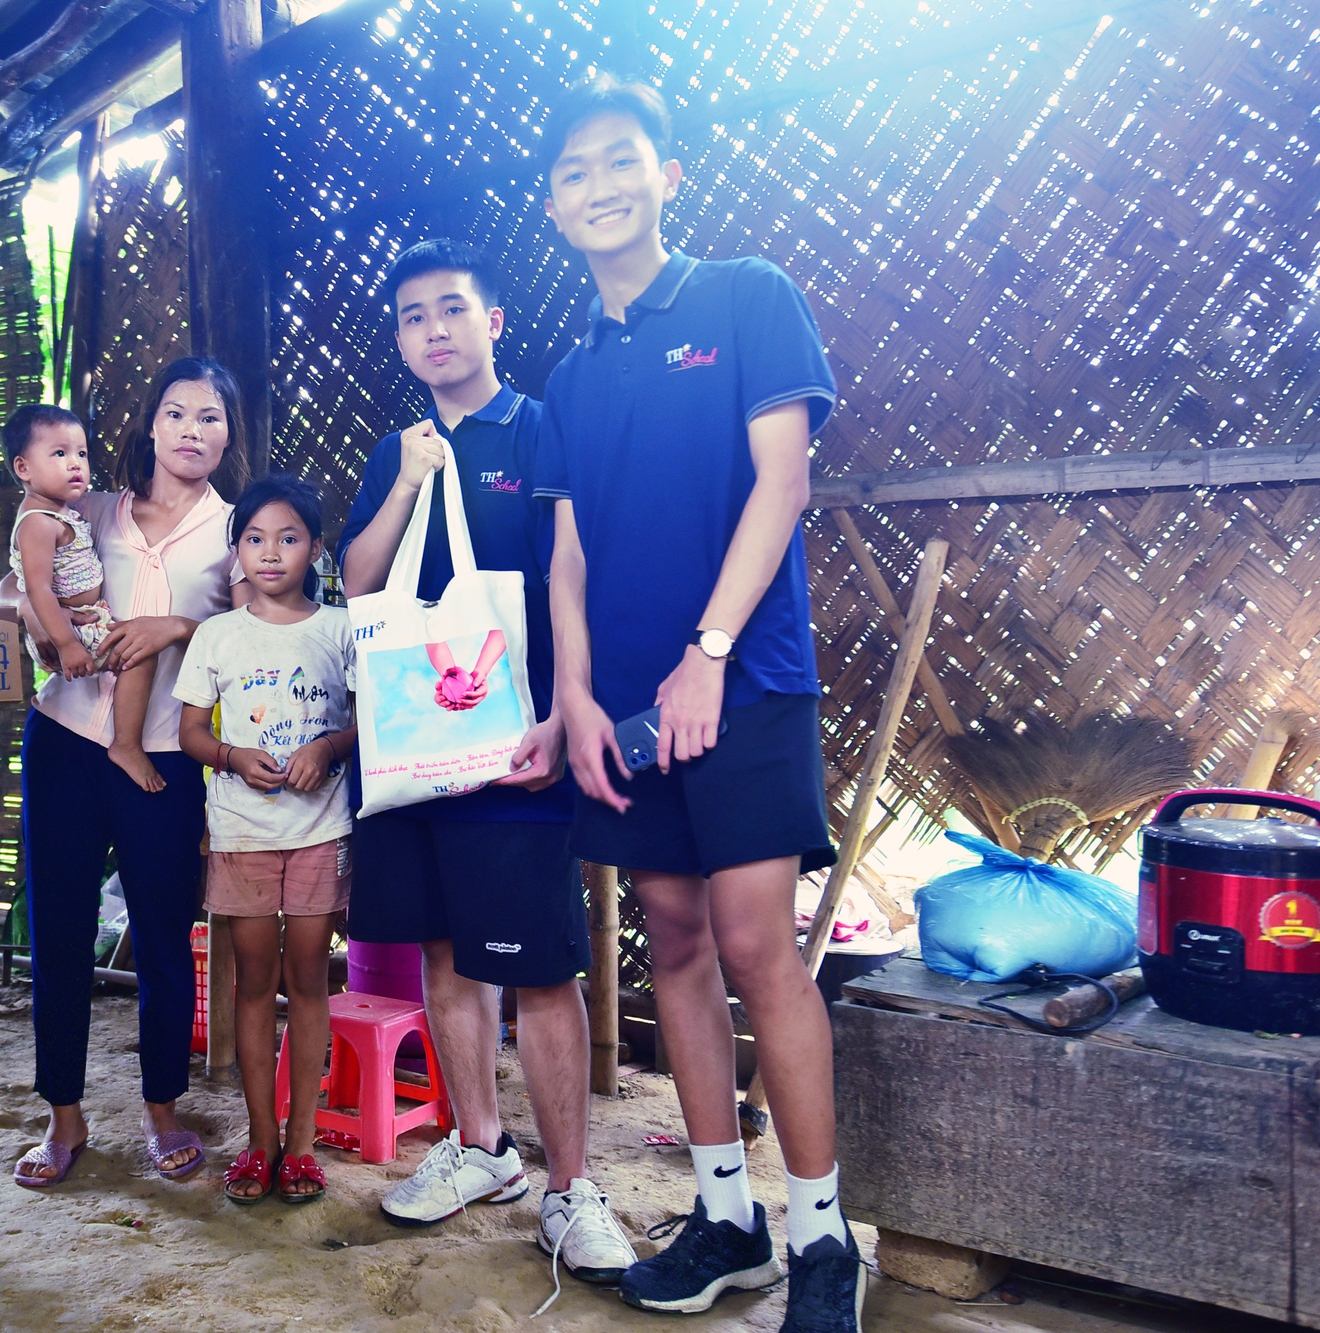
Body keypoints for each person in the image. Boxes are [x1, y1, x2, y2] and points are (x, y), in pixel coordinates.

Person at [532, 77, 856, 1331]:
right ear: (553, 206)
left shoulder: (743, 296)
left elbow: (781, 482)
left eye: (620, 162)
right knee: (665, 936)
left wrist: (708, 651)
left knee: (752, 942)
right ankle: (727, 1216)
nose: (598, 185)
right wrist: (571, 694)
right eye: (573, 173)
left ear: (666, 176)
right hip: (620, 703)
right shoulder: (569, 372)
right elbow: (564, 555)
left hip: (744, 678)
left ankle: (823, 1238)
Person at [337, 239, 639, 1309]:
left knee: (541, 963)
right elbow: (356, 579)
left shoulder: (538, 428)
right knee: (441, 951)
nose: (433, 329)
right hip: (416, 746)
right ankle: (479, 1145)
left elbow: (576, 569)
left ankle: (573, 1185)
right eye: (412, 315)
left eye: (452, 309)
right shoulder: (397, 447)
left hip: (516, 741)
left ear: (492, 322)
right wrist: (409, 480)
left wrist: (565, 710)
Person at [9, 358, 250, 1189]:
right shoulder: (92, 507)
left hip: (165, 754)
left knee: (160, 932)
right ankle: (63, 1116)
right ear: (149, 425)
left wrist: (175, 625)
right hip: (67, 736)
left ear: (228, 432)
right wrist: (37, 625)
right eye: (177, 413)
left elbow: (259, 626)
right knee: (60, 926)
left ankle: (162, 1110)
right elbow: (22, 578)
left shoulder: (233, 531)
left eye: (210, 417)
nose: (192, 430)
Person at [175, 475, 356, 1205]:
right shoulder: (218, 635)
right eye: (255, 537)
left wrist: (331, 747)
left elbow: (369, 721)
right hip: (244, 832)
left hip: (320, 830)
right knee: (254, 981)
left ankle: (304, 1145)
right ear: (236, 548)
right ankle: (260, 1142)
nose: (271, 552)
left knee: (309, 977)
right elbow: (189, 731)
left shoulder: (341, 628)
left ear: (315, 546)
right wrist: (231, 756)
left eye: (288, 537)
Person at [4, 403, 164, 792]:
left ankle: (125, 742)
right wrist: (66, 643)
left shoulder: (63, 511)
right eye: (59, 454)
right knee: (138, 656)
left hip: (84, 616)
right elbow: (35, 587)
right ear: (23, 468)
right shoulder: (39, 523)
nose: (75, 463)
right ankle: (126, 744)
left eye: (81, 454)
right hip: (72, 626)